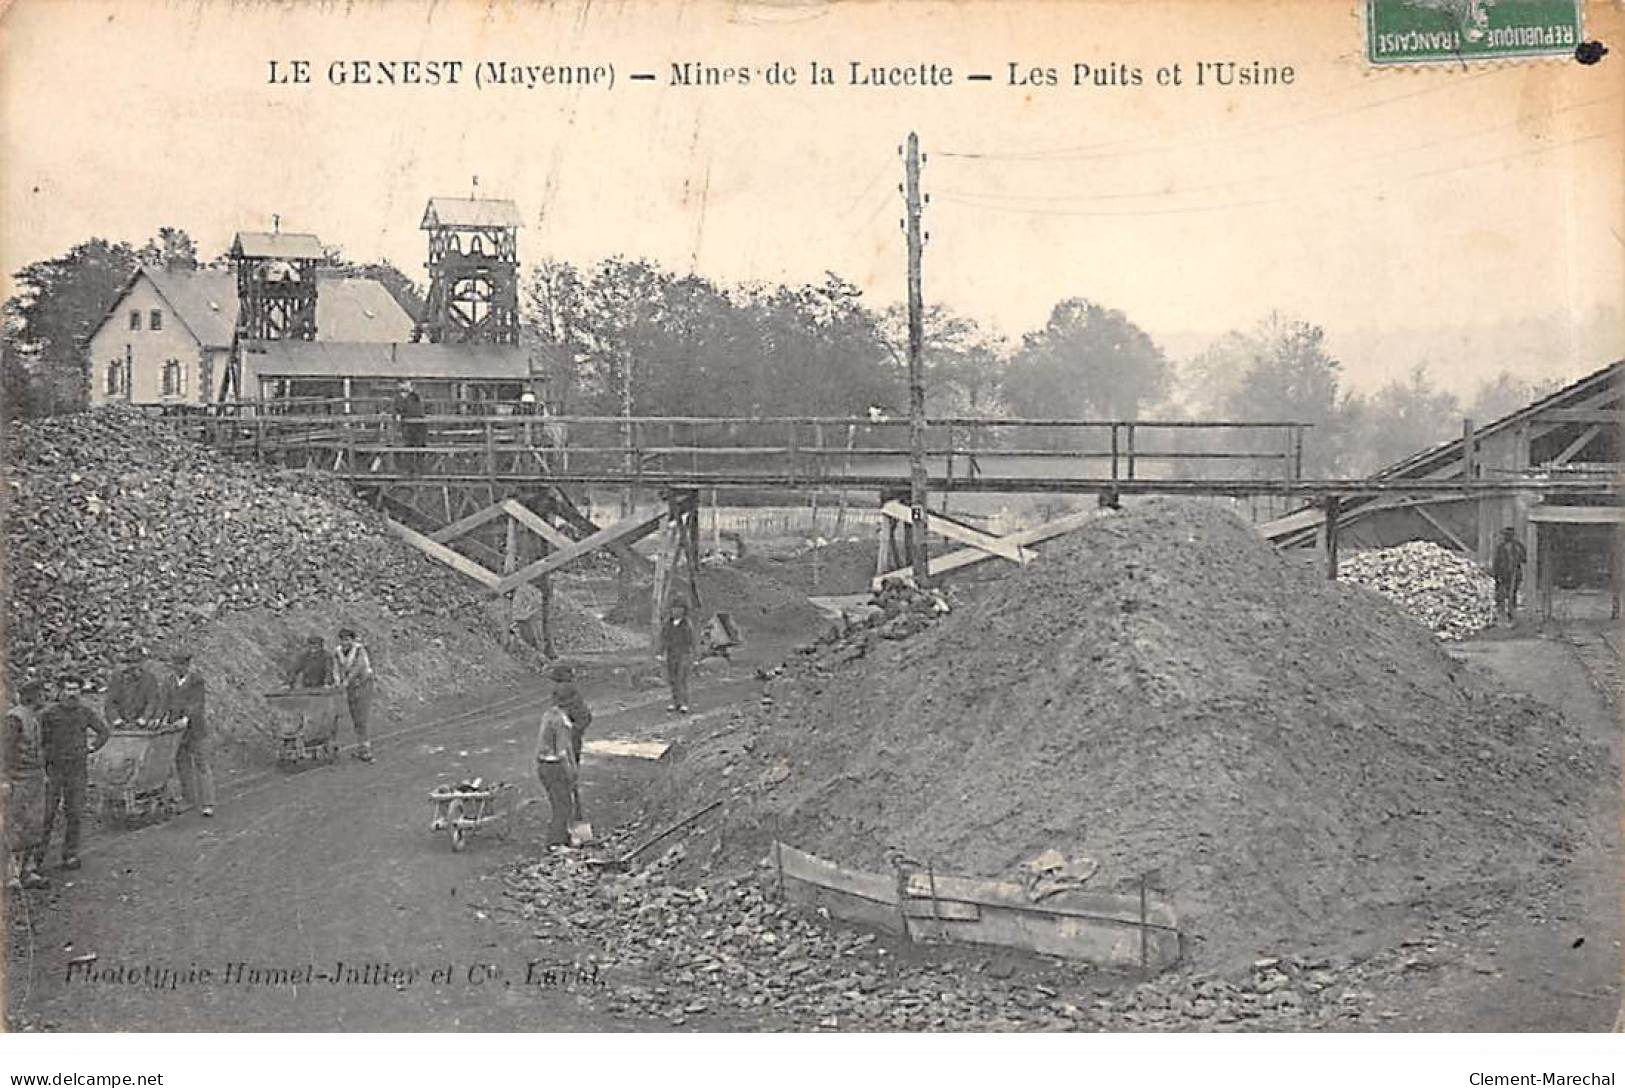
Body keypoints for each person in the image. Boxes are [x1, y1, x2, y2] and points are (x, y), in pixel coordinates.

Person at [40, 678, 109, 871]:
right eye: (69, 689)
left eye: (76, 690)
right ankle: (36, 860)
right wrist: (45, 761)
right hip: (54, 769)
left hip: (77, 769)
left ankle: (70, 854)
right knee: (47, 814)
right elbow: (39, 740)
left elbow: (103, 731)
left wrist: (91, 747)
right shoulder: (49, 714)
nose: (72, 694)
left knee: (75, 813)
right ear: (61, 691)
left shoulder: (84, 712)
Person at [4, 680, 51, 889]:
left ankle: (28, 871)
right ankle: (11, 875)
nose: (45, 697)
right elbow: (5, 753)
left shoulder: (34, 717)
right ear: (33, 696)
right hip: (18, 780)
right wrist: (4, 780)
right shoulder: (15, 718)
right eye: (42, 694)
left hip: (34, 778)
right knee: (16, 826)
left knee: (34, 825)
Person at [163, 649, 214, 818]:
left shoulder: (196, 681)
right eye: (175, 665)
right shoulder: (169, 681)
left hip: (196, 729)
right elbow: (164, 702)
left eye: (181, 665)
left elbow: (197, 703)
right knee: (182, 765)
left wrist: (186, 718)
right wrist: (162, 718)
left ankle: (207, 803)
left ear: (187, 665)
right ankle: (188, 799)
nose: (177, 668)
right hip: (177, 731)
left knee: (202, 764)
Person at [534, 692, 579, 848]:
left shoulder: (548, 715)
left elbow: (568, 747)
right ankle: (555, 843)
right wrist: (570, 772)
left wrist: (573, 767)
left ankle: (563, 837)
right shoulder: (562, 722)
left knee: (558, 803)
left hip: (543, 765)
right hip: (554, 767)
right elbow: (562, 752)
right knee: (563, 806)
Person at [333, 627, 375, 762]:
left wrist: (346, 681)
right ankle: (361, 746)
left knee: (361, 716)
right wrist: (337, 680)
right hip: (350, 687)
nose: (344, 643)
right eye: (342, 640)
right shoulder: (338, 652)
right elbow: (336, 668)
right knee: (354, 716)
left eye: (347, 640)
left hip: (363, 685)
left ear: (352, 640)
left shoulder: (360, 650)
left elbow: (358, 668)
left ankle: (366, 750)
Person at [106, 648, 163, 729]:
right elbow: (110, 703)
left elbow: (152, 702)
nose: (133, 666)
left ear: (141, 663)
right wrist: (117, 720)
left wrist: (143, 720)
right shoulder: (117, 678)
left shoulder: (149, 679)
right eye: (129, 662)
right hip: (120, 725)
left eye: (136, 662)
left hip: (143, 725)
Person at [661, 598, 695, 714]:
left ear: (683, 611)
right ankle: (675, 702)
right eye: (674, 609)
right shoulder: (667, 623)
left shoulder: (687, 624)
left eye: (679, 609)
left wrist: (693, 655)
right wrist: (661, 652)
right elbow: (664, 638)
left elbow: (691, 640)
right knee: (672, 679)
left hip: (683, 654)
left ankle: (684, 703)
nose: (675, 611)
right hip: (671, 654)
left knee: (682, 679)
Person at [1492, 526, 1529, 621]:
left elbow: (1524, 559)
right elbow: (1497, 562)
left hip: (1515, 574)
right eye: (1505, 535)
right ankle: (1502, 613)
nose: (1506, 537)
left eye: (1508, 535)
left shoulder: (1518, 546)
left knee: (1513, 593)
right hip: (1503, 574)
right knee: (1502, 594)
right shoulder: (1500, 547)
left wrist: (1517, 558)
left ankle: (1512, 613)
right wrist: (1496, 575)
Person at [393, 381, 428, 475]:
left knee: (419, 449)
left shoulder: (415, 397)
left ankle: (420, 470)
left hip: (418, 427)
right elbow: (396, 410)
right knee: (408, 448)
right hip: (407, 428)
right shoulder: (398, 398)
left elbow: (417, 411)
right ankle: (409, 470)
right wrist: (398, 414)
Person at [509, 582, 548, 656]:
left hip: (527, 620)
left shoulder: (533, 592)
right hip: (523, 621)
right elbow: (518, 614)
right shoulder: (522, 592)